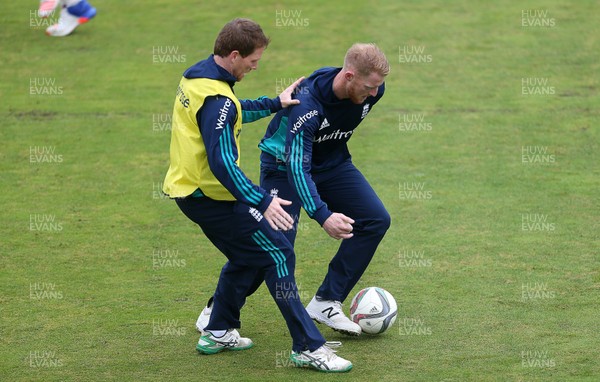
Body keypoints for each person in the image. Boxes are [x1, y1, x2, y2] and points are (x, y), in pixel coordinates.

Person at [162, 18, 352, 372]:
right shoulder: (217, 98)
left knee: (248, 255)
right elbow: (221, 162)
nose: (255, 66)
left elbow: (232, 111)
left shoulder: (199, 79)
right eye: (253, 61)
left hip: (193, 190)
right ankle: (308, 346)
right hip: (210, 195)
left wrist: (274, 103)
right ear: (234, 55)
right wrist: (261, 200)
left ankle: (218, 328)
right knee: (278, 252)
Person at [196, 43, 391, 337]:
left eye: (378, 87)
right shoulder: (308, 103)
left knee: (376, 219)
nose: (374, 94)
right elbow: (298, 166)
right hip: (282, 168)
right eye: (369, 86)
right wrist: (323, 215)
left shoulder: (373, 92)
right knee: (274, 244)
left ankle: (326, 301)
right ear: (349, 76)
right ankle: (219, 309)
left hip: (331, 164)